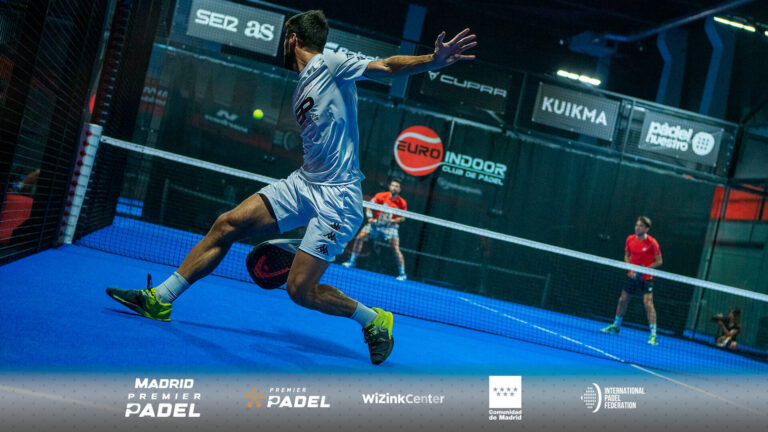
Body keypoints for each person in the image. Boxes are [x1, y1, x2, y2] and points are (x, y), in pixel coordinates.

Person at [105, 10, 477, 365]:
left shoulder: (330, 63)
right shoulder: (303, 83)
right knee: (227, 224)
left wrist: (432, 60)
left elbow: (386, 66)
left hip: (338, 198)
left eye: (285, 39)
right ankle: (161, 299)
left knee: (300, 291)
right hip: (304, 183)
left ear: (292, 39)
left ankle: (374, 318)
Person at [601, 216, 663, 346]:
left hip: (646, 278)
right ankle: (616, 327)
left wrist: (644, 269)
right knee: (622, 300)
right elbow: (627, 256)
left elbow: (659, 261)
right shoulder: (630, 239)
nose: (637, 227)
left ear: (647, 229)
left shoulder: (652, 243)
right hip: (632, 276)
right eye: (637, 225)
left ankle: (653, 336)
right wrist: (631, 268)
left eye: (640, 226)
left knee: (648, 303)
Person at [342, 179, 408, 280]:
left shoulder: (402, 202)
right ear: (390, 186)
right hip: (376, 223)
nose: (394, 188)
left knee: (395, 248)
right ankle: (352, 262)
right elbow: (369, 206)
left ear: (400, 189)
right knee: (359, 237)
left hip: (390, 226)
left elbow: (403, 217)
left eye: (396, 186)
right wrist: (370, 217)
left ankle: (402, 273)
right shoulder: (380, 196)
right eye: (393, 185)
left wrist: (393, 220)